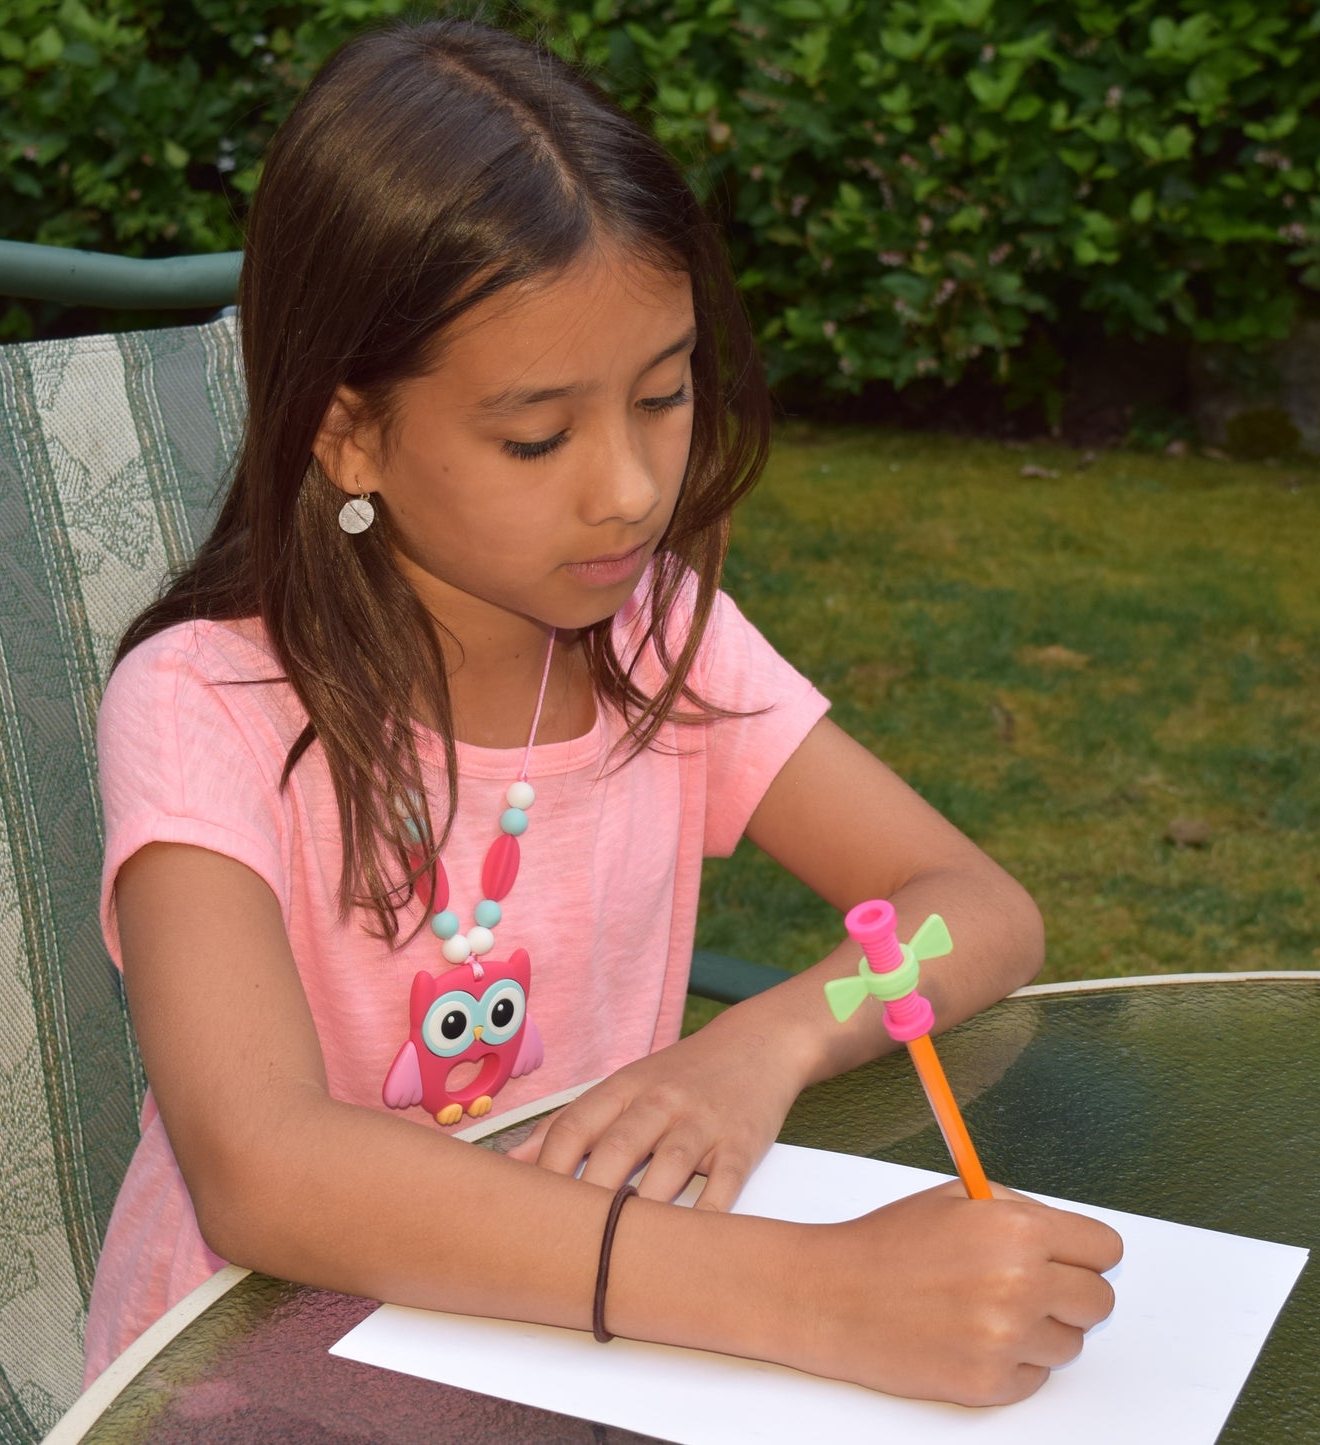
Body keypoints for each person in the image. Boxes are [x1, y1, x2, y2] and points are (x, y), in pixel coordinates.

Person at [85, 17, 1121, 1406]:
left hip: (583, 1363)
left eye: (664, 392)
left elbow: (969, 910)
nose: (630, 487)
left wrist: (763, 1043)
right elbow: (264, 1167)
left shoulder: (664, 642)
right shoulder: (206, 706)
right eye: (537, 434)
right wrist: (812, 1291)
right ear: (350, 433)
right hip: (256, 1383)